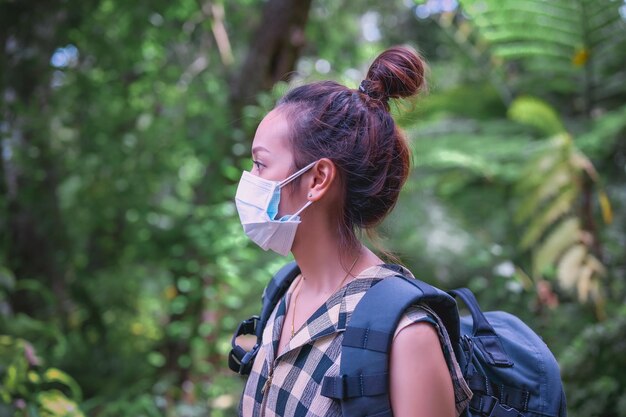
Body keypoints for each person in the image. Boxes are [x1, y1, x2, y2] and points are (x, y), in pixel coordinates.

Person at [234, 46, 472, 417]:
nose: (250, 181)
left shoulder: (405, 336)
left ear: (317, 179)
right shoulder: (285, 292)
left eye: (260, 164)